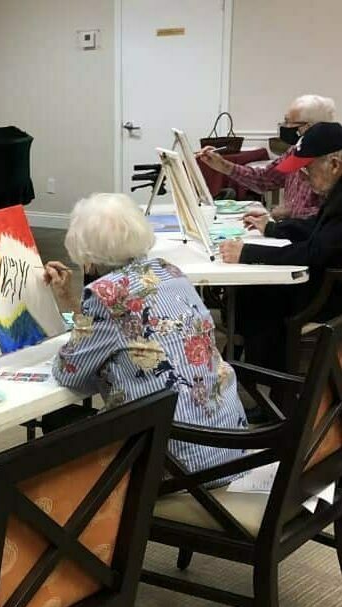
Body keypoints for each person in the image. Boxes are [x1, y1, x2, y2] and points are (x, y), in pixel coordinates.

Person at [44, 193, 247, 481]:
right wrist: (70, 300)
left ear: (85, 253)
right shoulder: (168, 271)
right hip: (229, 448)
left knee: (57, 432)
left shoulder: (106, 296)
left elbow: (69, 372)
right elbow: (120, 331)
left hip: (178, 469)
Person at [219, 122, 342, 371]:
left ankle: (268, 380)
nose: (303, 178)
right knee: (249, 293)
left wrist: (248, 253)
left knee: (259, 296)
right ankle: (248, 367)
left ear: (334, 165)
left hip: (332, 296)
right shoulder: (336, 192)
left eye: (307, 169)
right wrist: (273, 228)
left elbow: (315, 251)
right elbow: (316, 228)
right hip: (327, 282)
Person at [198, 94, 336, 220]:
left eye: (289, 122)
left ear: (308, 127)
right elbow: (267, 179)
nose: (285, 126)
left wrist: (290, 212)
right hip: (291, 231)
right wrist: (223, 166)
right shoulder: (296, 153)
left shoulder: (331, 164)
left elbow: (328, 217)